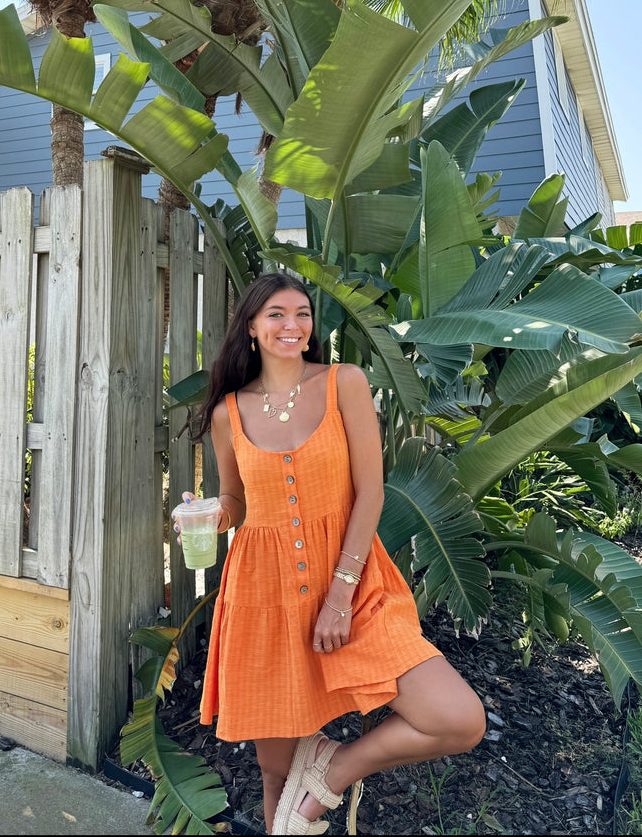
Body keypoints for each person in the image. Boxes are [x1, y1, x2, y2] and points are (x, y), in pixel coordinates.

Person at [174, 272, 485, 835]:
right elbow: (237, 503)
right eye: (275, 314)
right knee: (276, 772)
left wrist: (340, 594)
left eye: (302, 314)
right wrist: (210, 516)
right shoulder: (228, 414)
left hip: (355, 585)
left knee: (458, 718)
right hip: (263, 595)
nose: (291, 325)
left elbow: (371, 491)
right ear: (250, 328)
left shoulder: (345, 383)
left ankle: (335, 767)